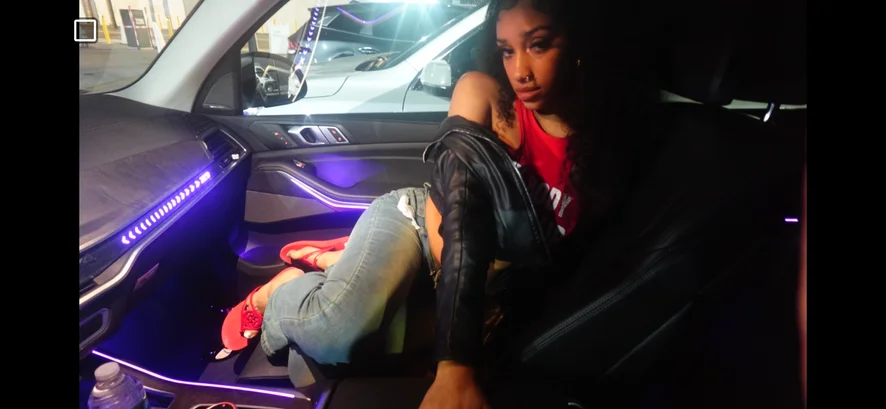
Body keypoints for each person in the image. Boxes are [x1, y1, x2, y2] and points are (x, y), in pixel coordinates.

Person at [220, 0, 655, 408]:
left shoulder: (608, 151)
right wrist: (455, 366)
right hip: (417, 227)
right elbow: (463, 218)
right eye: (507, 51)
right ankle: (276, 296)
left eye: (538, 45)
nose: (520, 70)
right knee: (336, 333)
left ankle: (340, 264)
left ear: (578, 43)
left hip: (479, 289)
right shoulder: (484, 94)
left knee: (329, 362)